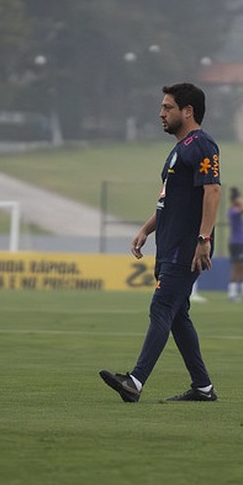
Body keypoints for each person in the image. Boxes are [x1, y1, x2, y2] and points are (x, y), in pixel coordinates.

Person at [100, 83, 222, 402]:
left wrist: (204, 239)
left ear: (188, 111)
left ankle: (135, 382)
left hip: (187, 246)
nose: (161, 113)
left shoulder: (203, 145)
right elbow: (170, 201)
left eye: (167, 107)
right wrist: (146, 229)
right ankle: (203, 387)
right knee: (177, 314)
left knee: (162, 306)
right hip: (169, 244)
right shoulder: (179, 149)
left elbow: (213, 191)